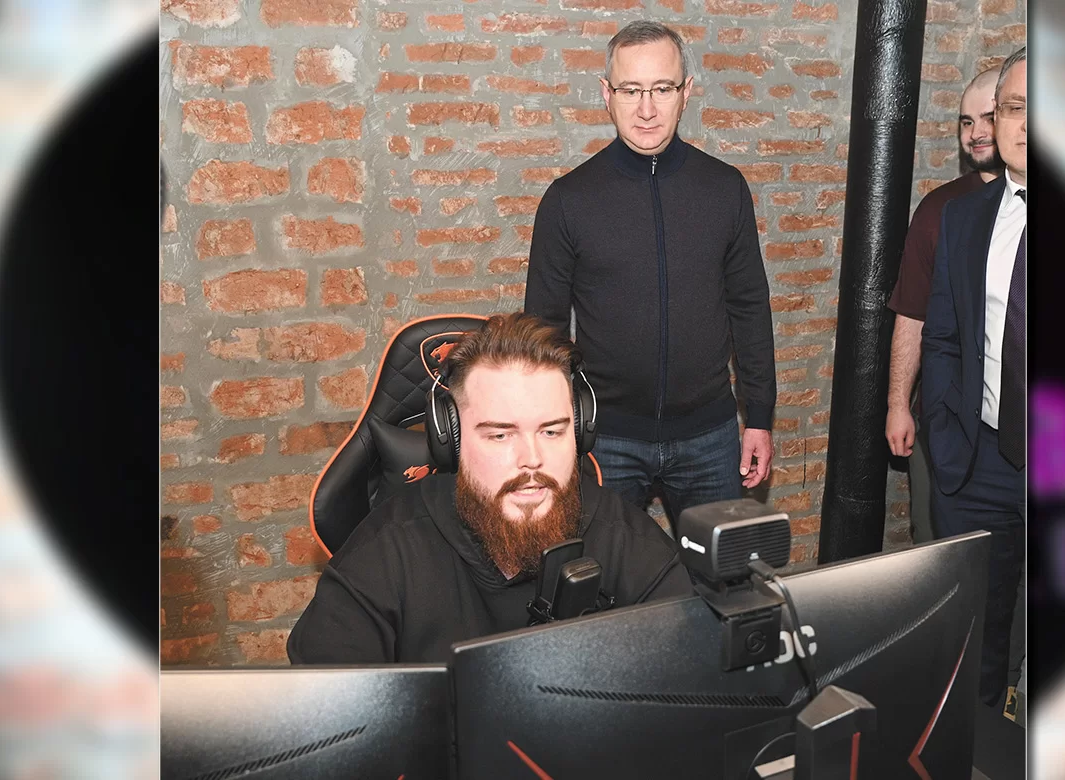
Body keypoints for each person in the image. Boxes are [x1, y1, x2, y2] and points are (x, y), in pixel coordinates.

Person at [286, 313, 694, 664]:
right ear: (452, 440)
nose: (532, 459)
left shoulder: (630, 542)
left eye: (552, 431)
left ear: (581, 432)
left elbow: (691, 685)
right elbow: (325, 711)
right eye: (500, 435)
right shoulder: (385, 554)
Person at [524, 20, 776, 533]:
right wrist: (550, 433)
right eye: (630, 90)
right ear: (606, 94)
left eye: (662, 88)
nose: (646, 109)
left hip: (710, 436)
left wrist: (760, 417)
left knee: (721, 576)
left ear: (686, 92)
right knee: (601, 576)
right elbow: (542, 331)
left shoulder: (725, 189)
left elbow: (749, 306)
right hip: (604, 439)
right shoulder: (569, 200)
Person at [921, 46, 1027, 709]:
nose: (1025, 122)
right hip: (980, 460)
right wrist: (946, 434)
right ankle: (982, 744)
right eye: (1012, 107)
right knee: (972, 642)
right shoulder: (964, 218)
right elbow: (943, 336)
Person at [885, 67, 1003, 544]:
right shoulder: (940, 210)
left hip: (1024, 435)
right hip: (949, 427)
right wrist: (899, 405)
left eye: (988, 117)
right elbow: (912, 314)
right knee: (943, 554)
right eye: (965, 122)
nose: (975, 133)